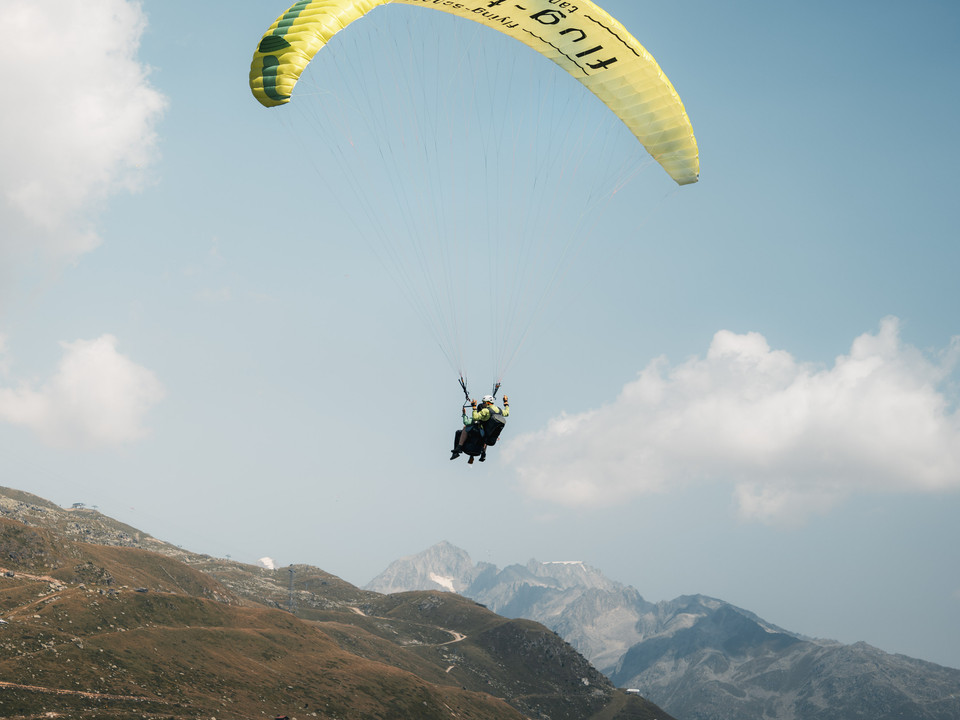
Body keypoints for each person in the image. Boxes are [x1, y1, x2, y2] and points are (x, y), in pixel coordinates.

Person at [450, 394, 509, 463]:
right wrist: (506, 402)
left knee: (465, 427)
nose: (483, 404)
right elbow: (507, 413)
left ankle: (458, 448)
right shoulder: (498, 410)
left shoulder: (485, 411)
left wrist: (474, 408)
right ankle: (483, 453)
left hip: (480, 431)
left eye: (484, 402)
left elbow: (475, 417)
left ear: (488, 403)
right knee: (487, 434)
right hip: (486, 435)